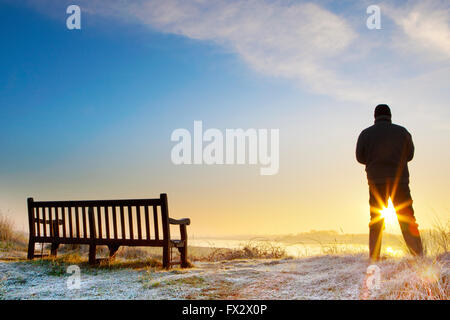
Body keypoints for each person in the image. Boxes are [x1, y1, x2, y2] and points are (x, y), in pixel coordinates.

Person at [356, 104, 423, 261]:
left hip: (376, 181)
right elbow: (410, 154)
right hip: (400, 182)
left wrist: (374, 163)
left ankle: (374, 258)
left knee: (376, 219)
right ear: (390, 116)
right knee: (407, 218)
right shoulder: (402, 132)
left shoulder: (366, 134)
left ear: (375, 116)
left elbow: (360, 157)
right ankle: (418, 256)